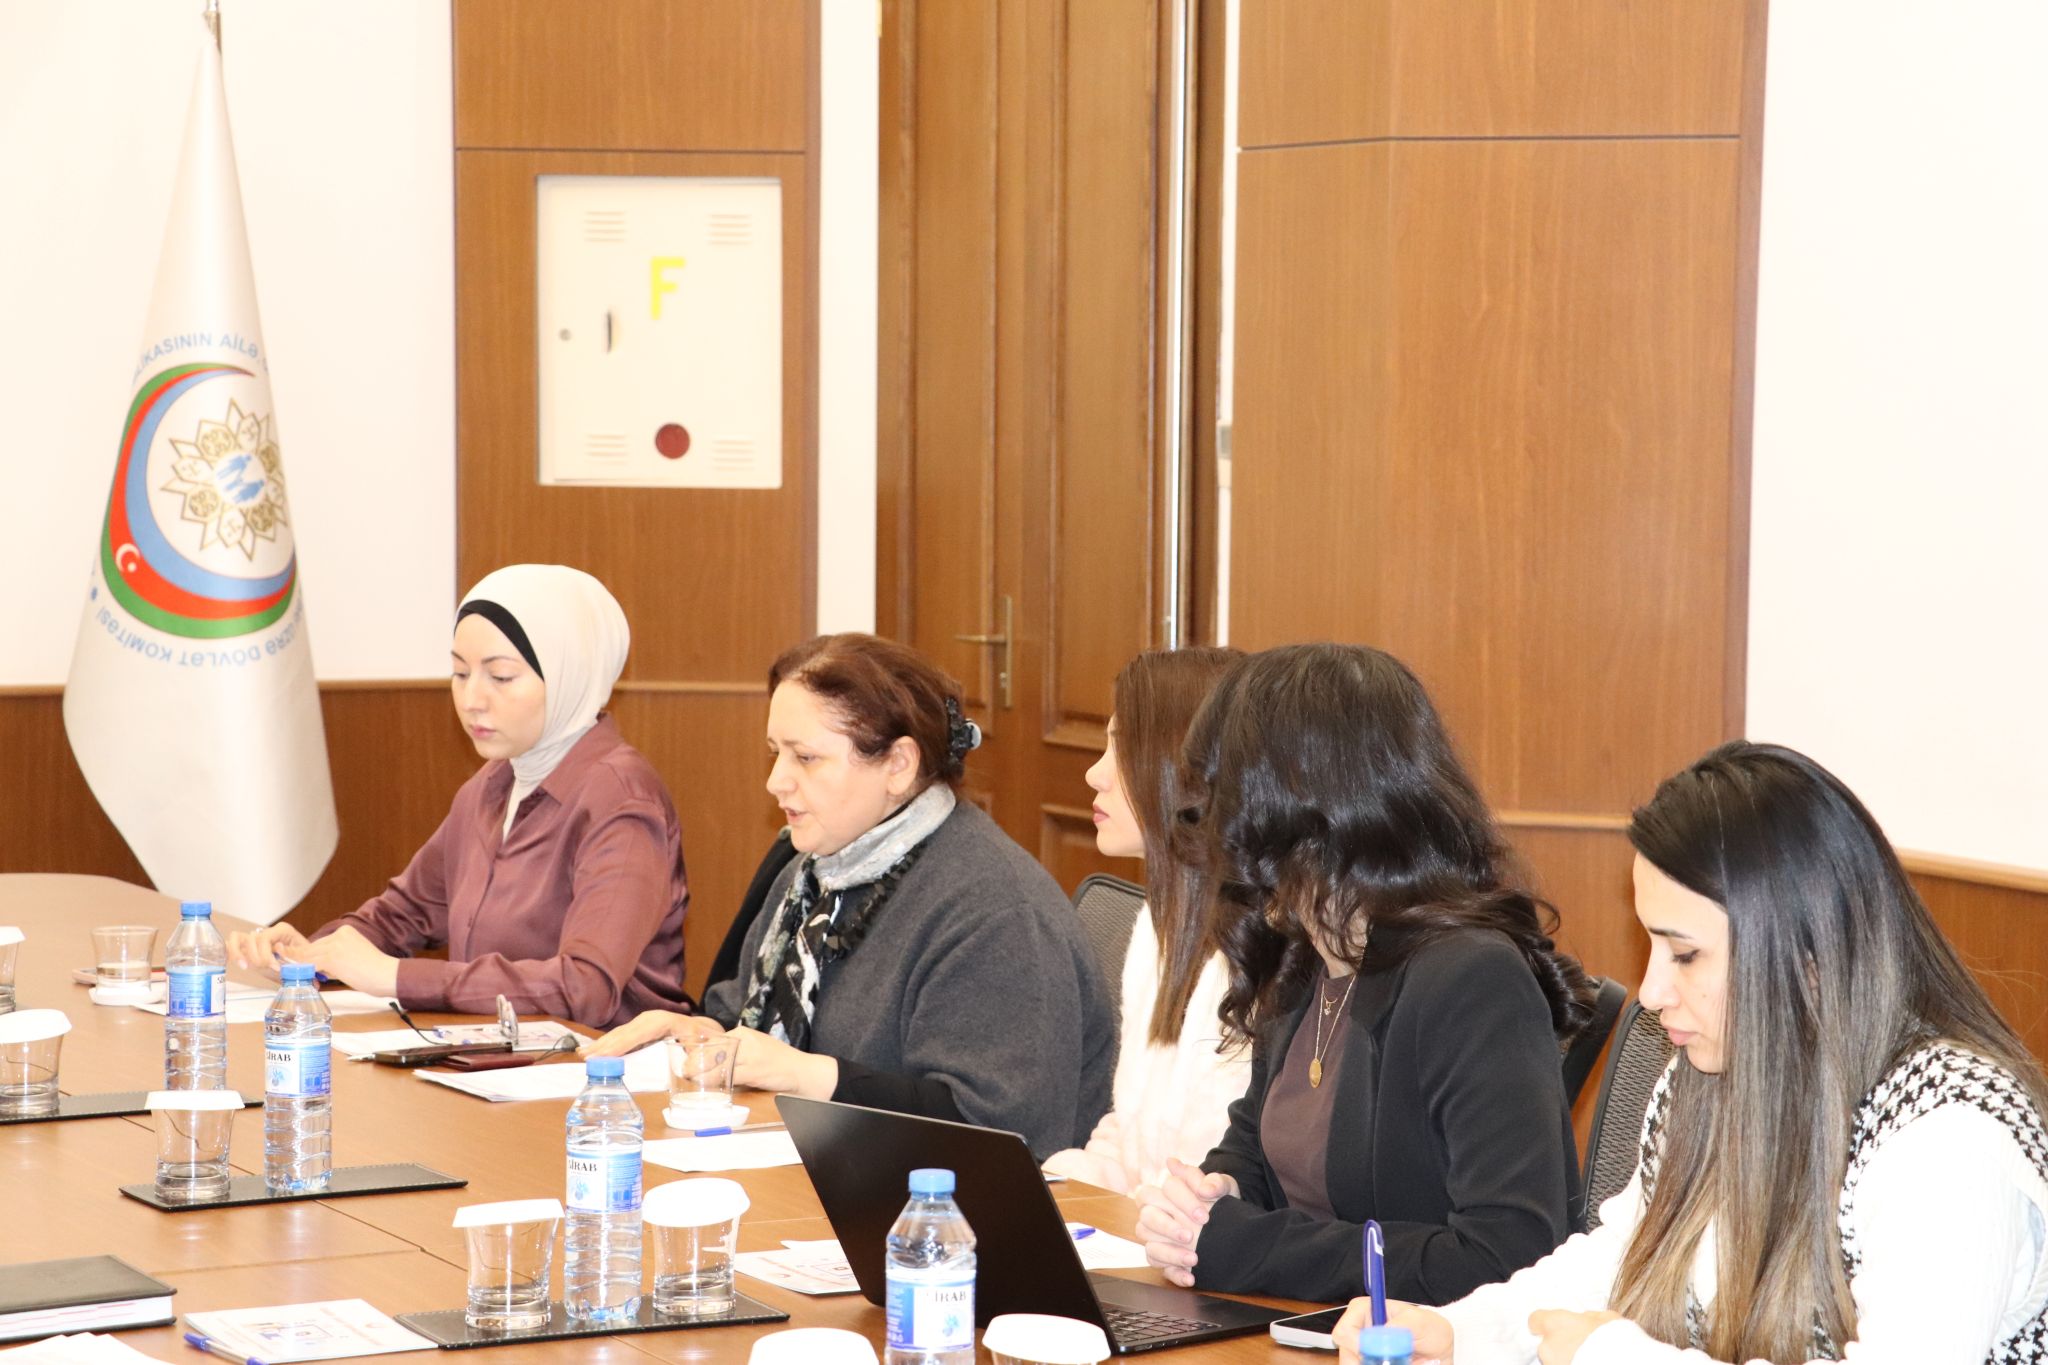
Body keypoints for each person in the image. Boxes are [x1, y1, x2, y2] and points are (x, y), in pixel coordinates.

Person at [1331, 741, 2048, 1365]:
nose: (1650, 992)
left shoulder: (1952, 1134)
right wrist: (1461, 1331)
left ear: (1806, 958)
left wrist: (1613, 1354)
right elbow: (1620, 1258)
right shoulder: (1717, 1071)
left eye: (1685, 954)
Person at [1134, 642, 1593, 1305]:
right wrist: (1217, 1193)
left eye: (1224, 788)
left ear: (1294, 805)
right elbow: (1257, 1147)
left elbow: (1508, 1254)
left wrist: (1250, 1248)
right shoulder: (1306, 954)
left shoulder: (1471, 977)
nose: (1213, 818)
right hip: (1301, 1330)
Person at [586, 632, 1116, 1158]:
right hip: (822, 1171)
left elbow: (993, 1133)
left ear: (898, 765)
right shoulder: (815, 872)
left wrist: (810, 1077)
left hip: (941, 1201)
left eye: (806, 758)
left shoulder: (996, 912)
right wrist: (697, 1036)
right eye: (775, 753)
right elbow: (746, 1019)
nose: (776, 781)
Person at [225, 564, 690, 1031]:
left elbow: (585, 988)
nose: (470, 700)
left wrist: (396, 977)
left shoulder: (622, 800)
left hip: (606, 1067)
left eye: (501, 677)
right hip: (498, 1056)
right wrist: (309, 956)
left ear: (571, 675)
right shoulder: (491, 786)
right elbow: (402, 916)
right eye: (460, 673)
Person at [1043, 646, 1252, 1193]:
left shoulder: (1264, 954)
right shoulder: (1158, 926)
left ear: (1192, 771)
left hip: (1195, 1233)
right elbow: (1131, 1133)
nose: (1095, 774)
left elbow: (1210, 1182)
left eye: (1123, 749)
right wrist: (1065, 1188)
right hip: (1142, 1224)